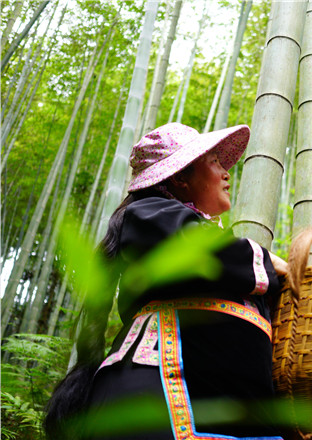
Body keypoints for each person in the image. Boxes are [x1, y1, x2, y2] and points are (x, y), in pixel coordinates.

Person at [45, 123, 288, 440]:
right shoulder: (149, 216)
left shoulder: (216, 245)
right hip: (158, 397)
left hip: (231, 412)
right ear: (180, 178)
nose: (227, 172)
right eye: (215, 162)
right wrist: (273, 262)